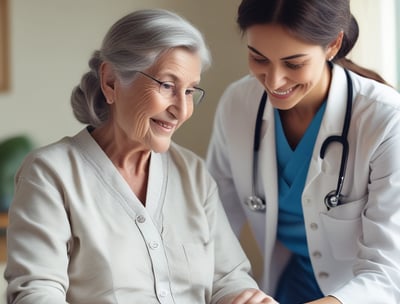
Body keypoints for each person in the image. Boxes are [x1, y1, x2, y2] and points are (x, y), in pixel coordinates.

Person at [4, 9, 277, 304]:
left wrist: (246, 298)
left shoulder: (192, 173)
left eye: (189, 91)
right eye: (167, 85)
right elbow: (36, 294)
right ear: (110, 81)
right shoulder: (50, 174)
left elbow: (227, 278)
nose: (182, 110)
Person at [206, 0, 400, 303]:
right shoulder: (238, 104)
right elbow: (213, 226)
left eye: (294, 64)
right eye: (258, 58)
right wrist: (234, 291)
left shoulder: (386, 120)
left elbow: (389, 271)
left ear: (333, 44)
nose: (274, 81)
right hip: (287, 288)